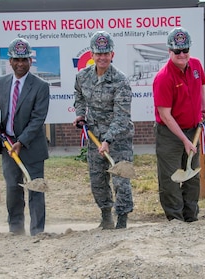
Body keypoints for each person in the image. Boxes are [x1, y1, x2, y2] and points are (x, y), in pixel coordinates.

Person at [0, 38, 50, 236]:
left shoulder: (41, 86)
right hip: (7, 146)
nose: (20, 64)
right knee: (13, 188)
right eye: (16, 60)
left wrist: (21, 141)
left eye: (24, 59)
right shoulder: (2, 82)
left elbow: (38, 118)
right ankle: (15, 229)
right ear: (10, 61)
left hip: (31, 147)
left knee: (35, 188)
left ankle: (37, 231)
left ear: (30, 61)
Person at [73, 31, 134, 229]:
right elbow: (79, 95)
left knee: (120, 179)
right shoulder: (83, 77)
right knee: (97, 179)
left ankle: (122, 219)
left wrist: (108, 140)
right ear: (92, 54)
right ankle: (106, 216)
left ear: (112, 55)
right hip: (94, 137)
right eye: (98, 53)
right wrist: (81, 114)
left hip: (119, 138)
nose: (102, 57)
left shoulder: (120, 80)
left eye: (106, 53)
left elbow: (122, 115)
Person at [152, 27, 205, 222]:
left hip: (192, 130)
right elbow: (166, 115)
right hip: (169, 134)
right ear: (169, 51)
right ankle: (175, 220)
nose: (182, 55)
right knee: (171, 179)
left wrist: (204, 106)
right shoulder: (163, 78)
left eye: (185, 50)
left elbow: (201, 84)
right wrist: (184, 141)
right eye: (177, 51)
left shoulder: (195, 65)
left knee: (192, 177)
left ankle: (191, 217)